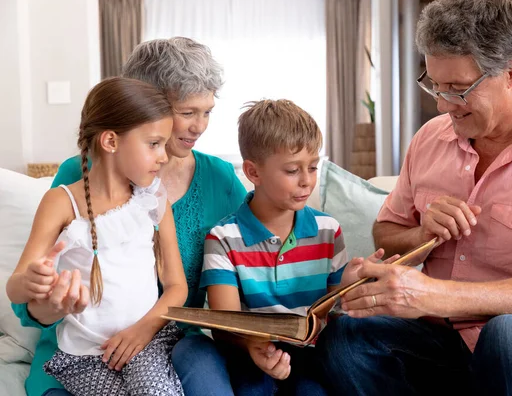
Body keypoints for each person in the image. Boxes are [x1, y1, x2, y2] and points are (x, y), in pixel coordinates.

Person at [316, 0, 512, 395]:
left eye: (458, 88)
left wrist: (436, 296)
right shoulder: (429, 139)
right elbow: (387, 231)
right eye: (434, 83)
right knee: (347, 336)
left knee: (510, 336)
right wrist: (420, 235)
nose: (442, 103)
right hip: (443, 341)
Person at [11, 37, 247, 396]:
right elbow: (27, 293)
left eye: (208, 111)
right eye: (187, 112)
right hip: (85, 348)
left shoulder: (219, 179)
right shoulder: (74, 181)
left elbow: (261, 240)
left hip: (176, 336)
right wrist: (48, 301)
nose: (200, 126)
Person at [201, 99, 398, 395]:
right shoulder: (223, 238)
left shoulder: (327, 231)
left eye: (313, 167)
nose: (307, 181)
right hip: (250, 354)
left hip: (311, 356)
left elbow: (332, 314)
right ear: (253, 173)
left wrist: (346, 287)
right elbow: (225, 325)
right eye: (293, 170)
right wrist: (255, 347)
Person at [6, 77, 188, 396]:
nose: (164, 156)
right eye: (154, 143)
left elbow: (177, 286)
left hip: (148, 341)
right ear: (110, 141)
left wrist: (142, 332)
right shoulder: (62, 202)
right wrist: (31, 282)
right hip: (82, 357)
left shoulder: (154, 199)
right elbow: (16, 287)